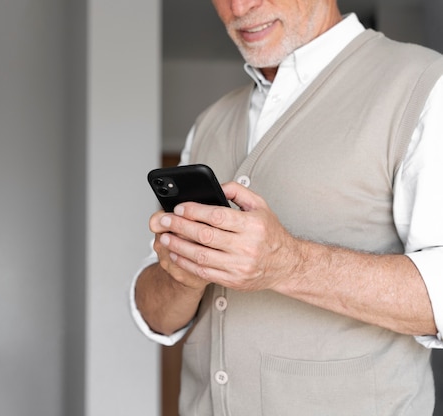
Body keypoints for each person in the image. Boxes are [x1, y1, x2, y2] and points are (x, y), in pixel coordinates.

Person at [130, 0, 443, 415]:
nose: (240, 7)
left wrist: (288, 263)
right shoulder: (209, 123)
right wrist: (182, 277)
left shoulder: (424, 85)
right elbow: (157, 318)